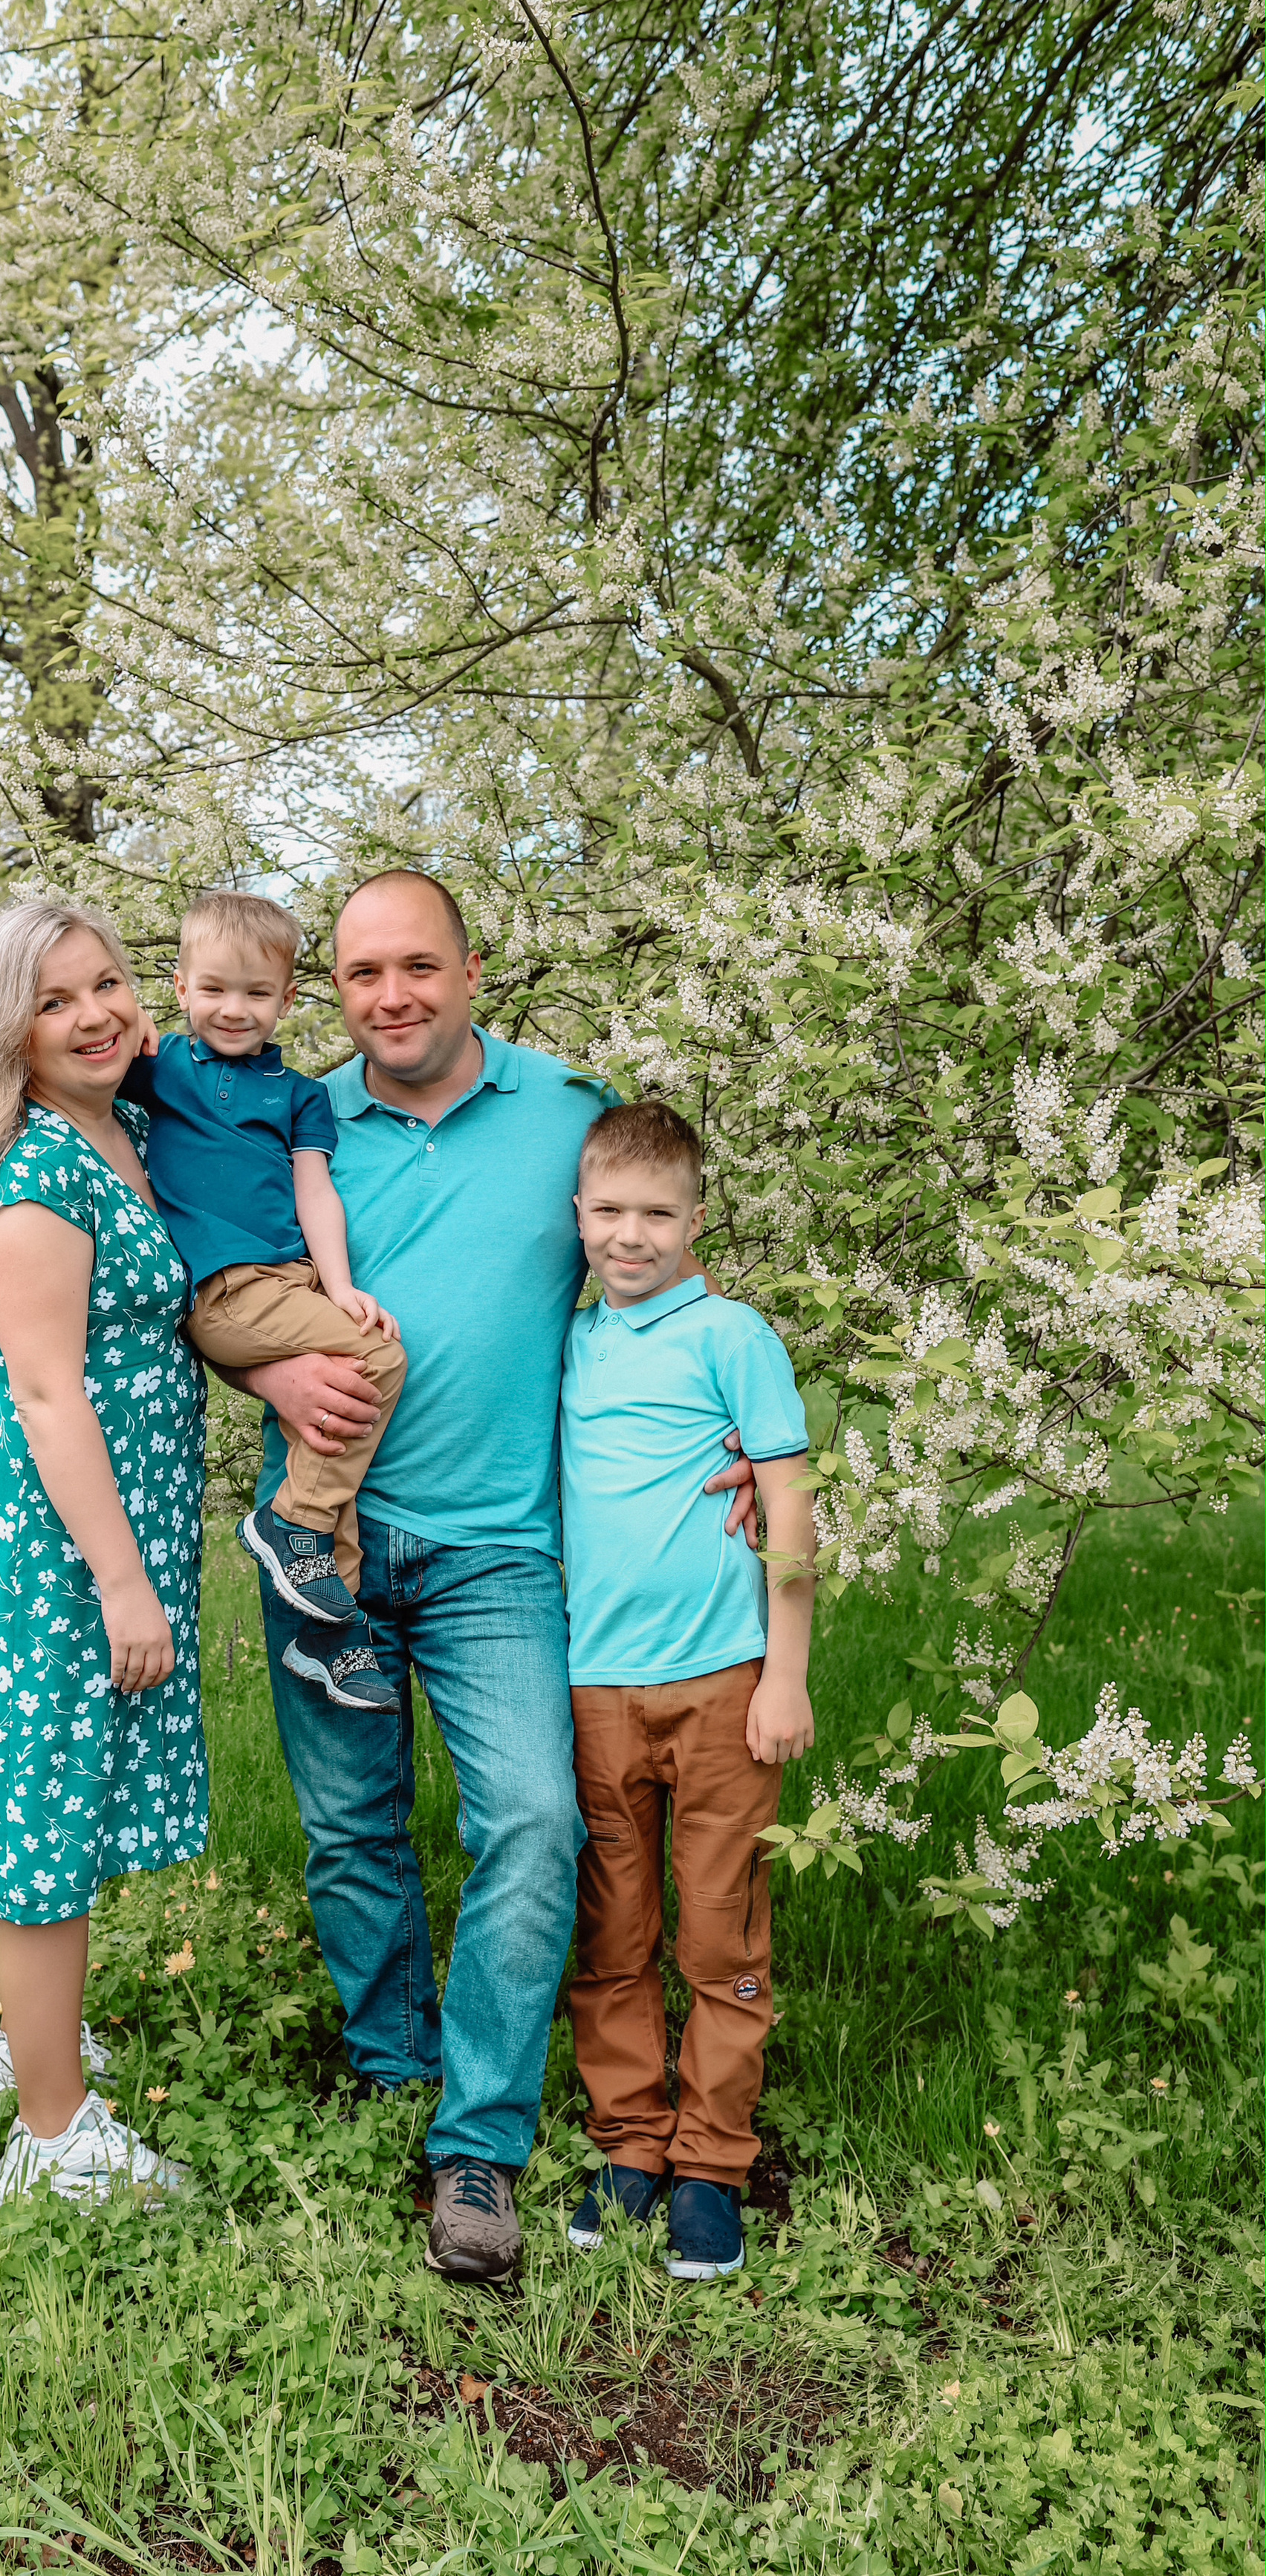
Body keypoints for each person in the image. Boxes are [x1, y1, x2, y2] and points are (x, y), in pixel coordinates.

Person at [219, 869, 757, 2281]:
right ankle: (394, 2070)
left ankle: (480, 2142)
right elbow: (196, 1273)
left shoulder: (569, 1115)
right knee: (352, 1833)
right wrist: (266, 1364)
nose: (390, 998)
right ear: (332, 991)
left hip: (499, 1551)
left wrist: (747, 1440)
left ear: (471, 970)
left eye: (417, 967)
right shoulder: (295, 1114)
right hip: (323, 1537)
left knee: (531, 1819)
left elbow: (660, 1266)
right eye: (359, 976)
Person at [0, 897, 207, 2206]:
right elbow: (46, 1394)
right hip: (55, 1543)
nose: (95, 1015)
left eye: (109, 984)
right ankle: (53, 2133)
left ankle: (34, 2043)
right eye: (55, 1000)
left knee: (61, 1802)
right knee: (39, 1821)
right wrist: (124, 1580)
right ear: (9, 1036)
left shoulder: (128, 1132)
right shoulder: (40, 1171)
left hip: (107, 1526)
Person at [559, 1100, 815, 2281]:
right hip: (597, 1685)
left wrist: (785, 1676)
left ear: (698, 1219)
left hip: (721, 1687)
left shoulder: (733, 1337)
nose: (631, 1235)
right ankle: (629, 2143)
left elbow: (792, 1505)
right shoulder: (574, 1342)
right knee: (613, 1934)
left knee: (722, 1935)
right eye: (609, 1211)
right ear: (579, 1217)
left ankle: (712, 2161)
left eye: (657, 1213)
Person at [120, 888, 407, 1714]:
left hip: (290, 1284)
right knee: (379, 1358)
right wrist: (134, 1028)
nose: (232, 1009)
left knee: (332, 1433)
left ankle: (332, 1643)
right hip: (223, 1289)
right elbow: (87, 1057)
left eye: (255, 993)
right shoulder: (164, 1066)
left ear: (287, 999)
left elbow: (315, 1193)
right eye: (212, 989)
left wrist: (339, 1285)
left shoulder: (299, 1095)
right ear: (180, 988)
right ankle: (288, 1523)